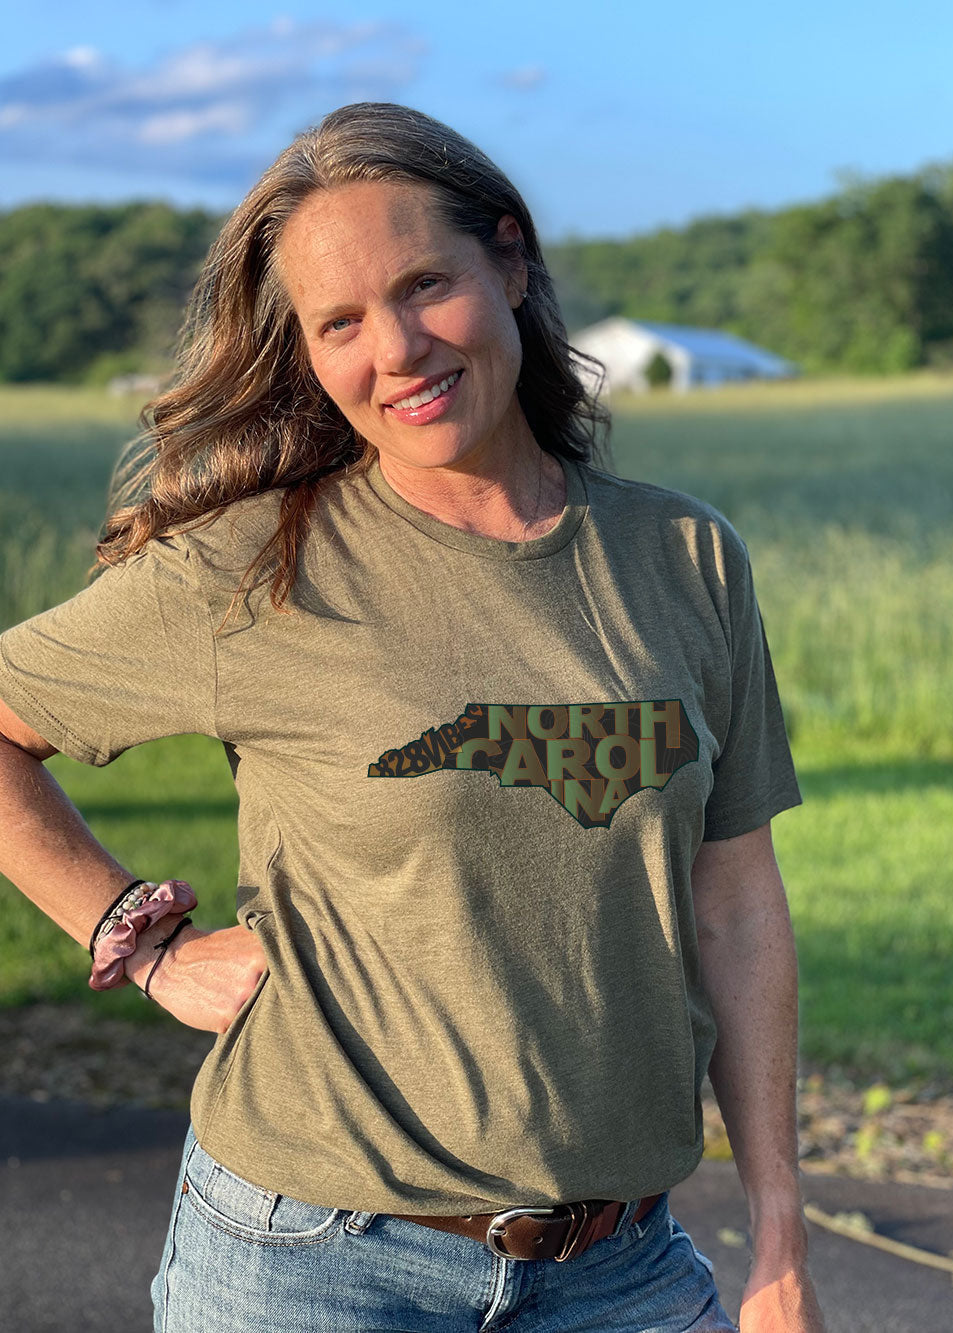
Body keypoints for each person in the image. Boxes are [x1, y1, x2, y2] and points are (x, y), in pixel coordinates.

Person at [0, 102, 825, 1332]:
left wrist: (777, 1240)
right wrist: (138, 932)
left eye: (424, 283)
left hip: (622, 1270)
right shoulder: (255, 570)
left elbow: (737, 905)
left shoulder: (684, 555)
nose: (394, 349)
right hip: (312, 1267)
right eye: (339, 322)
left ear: (509, 259)